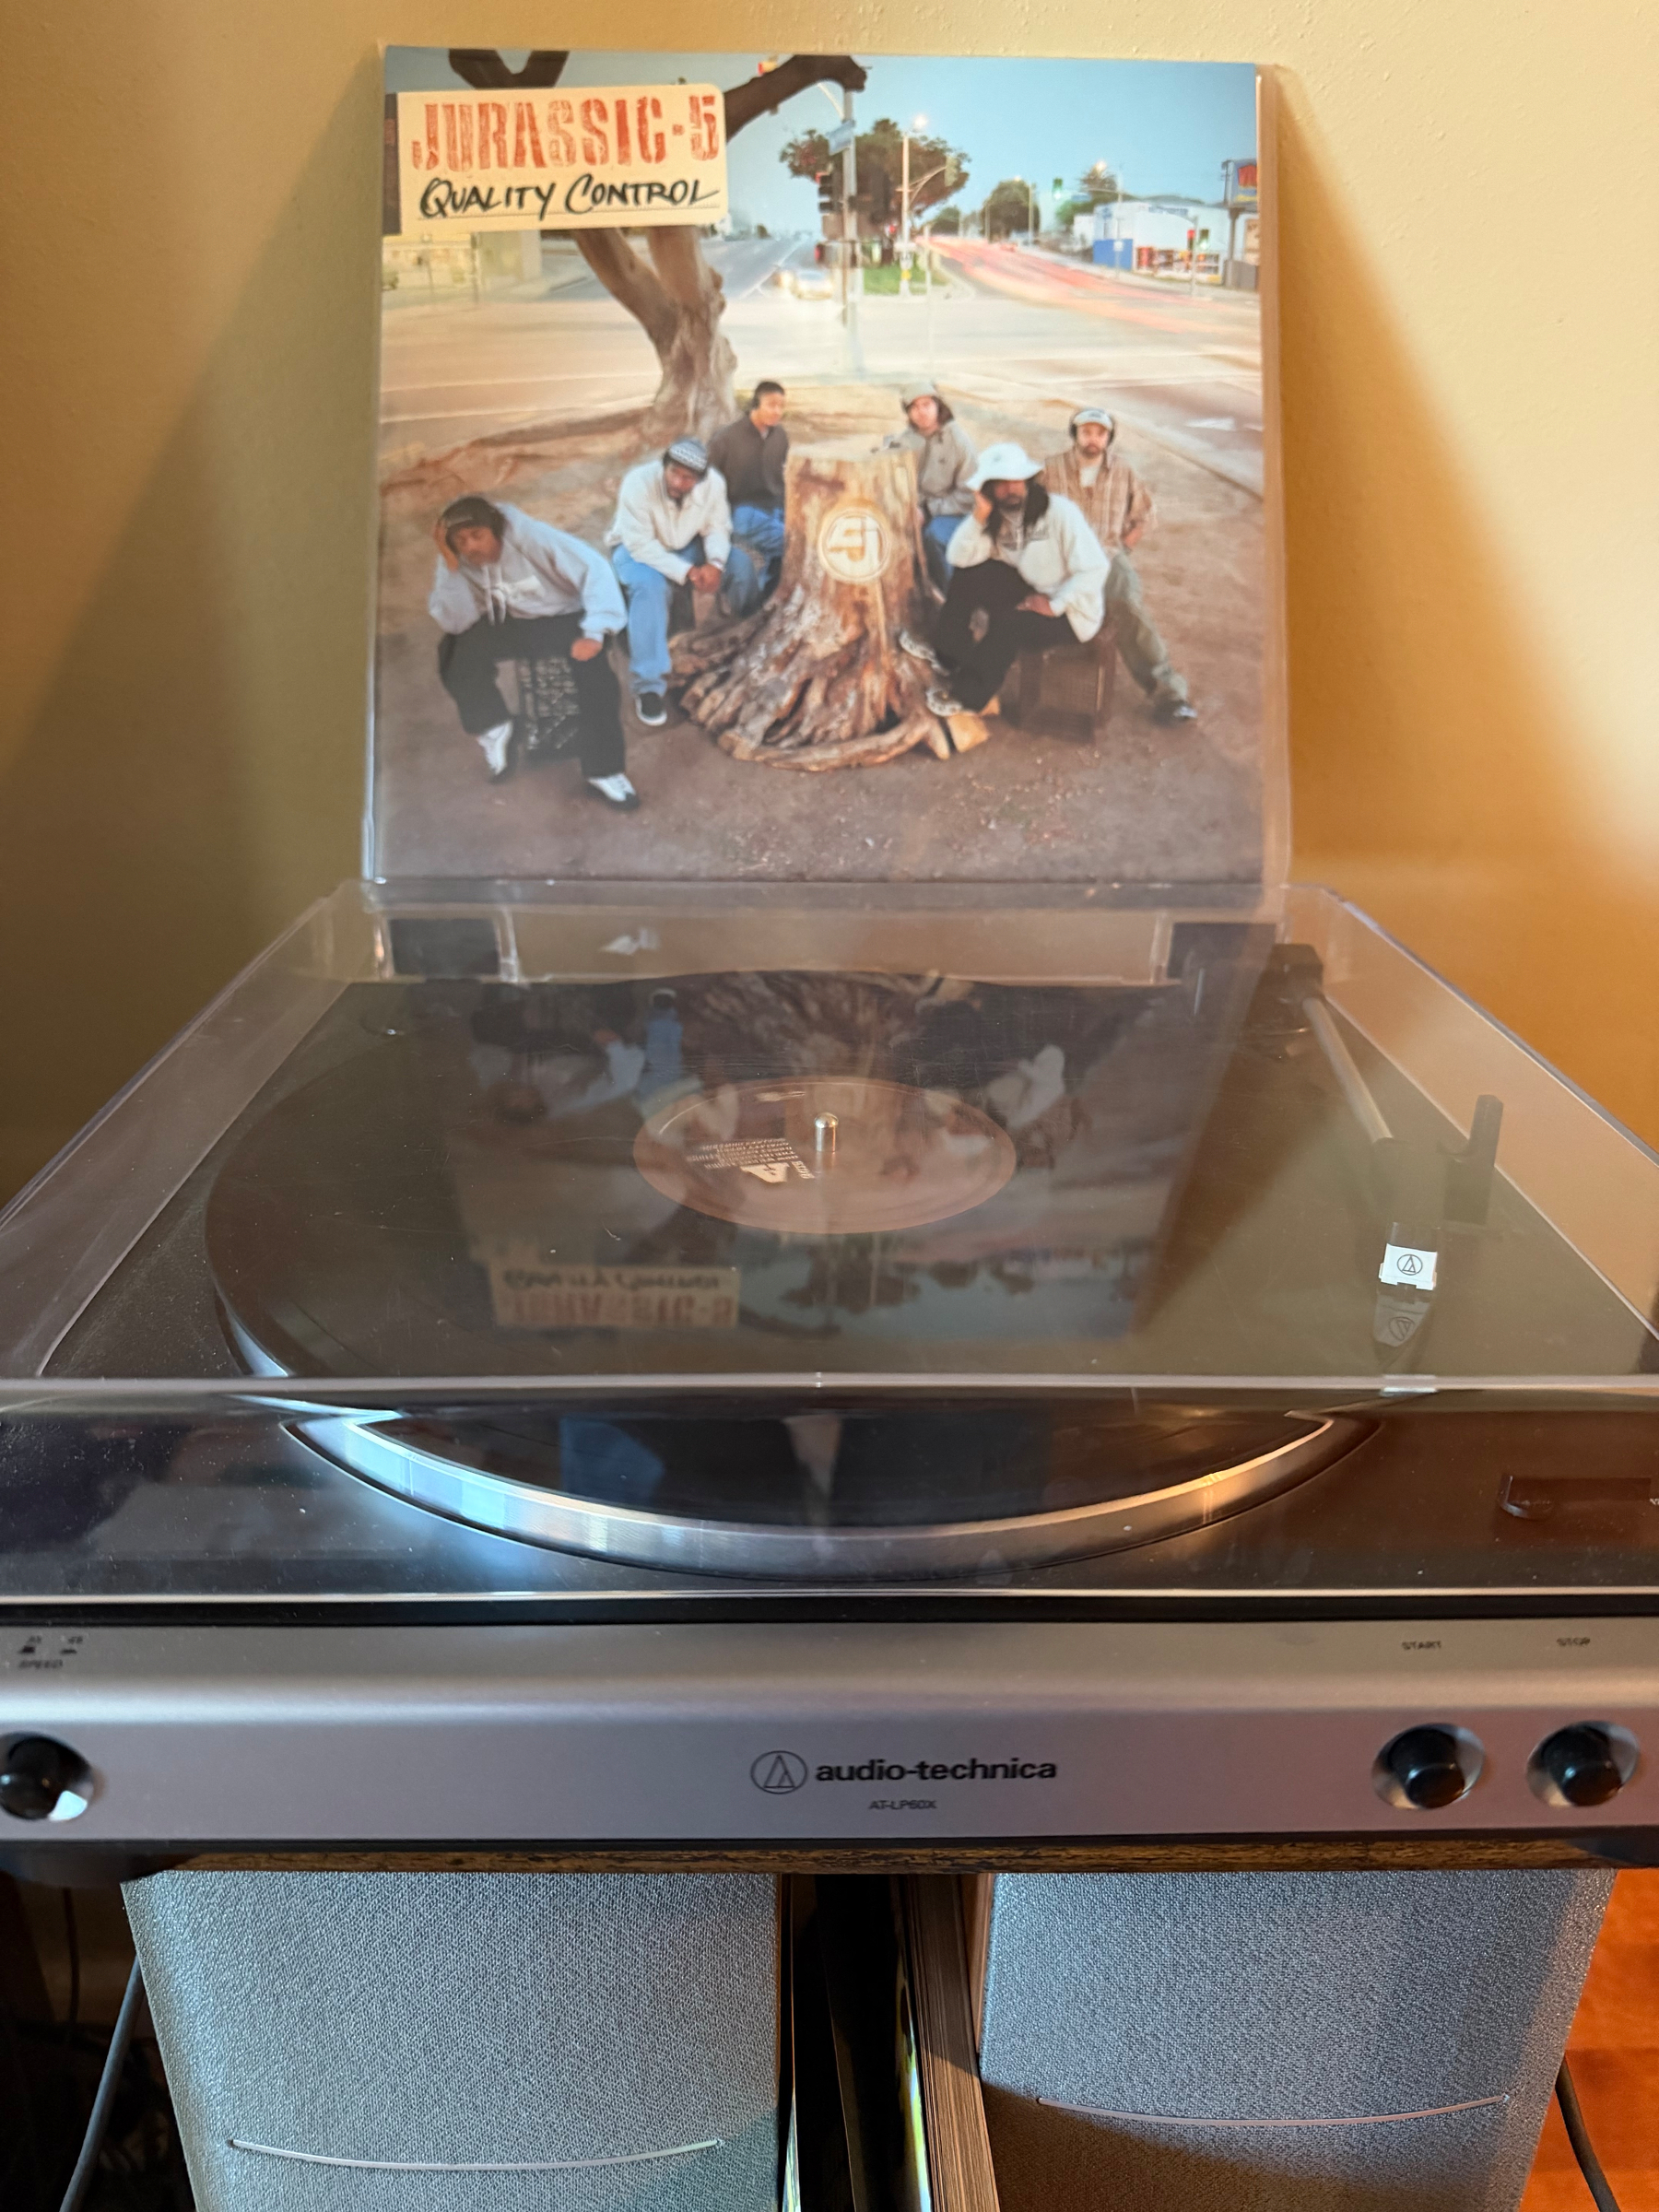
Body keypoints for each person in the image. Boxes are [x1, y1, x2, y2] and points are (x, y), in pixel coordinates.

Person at [428, 494, 638, 809]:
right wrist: (450, 565)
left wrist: (595, 633)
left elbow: (595, 571)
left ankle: (604, 770)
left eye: (477, 536)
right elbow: (458, 622)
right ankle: (495, 727)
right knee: (453, 650)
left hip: (572, 618)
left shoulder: (533, 539)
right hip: (520, 621)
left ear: (495, 530)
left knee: (596, 681)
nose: (470, 546)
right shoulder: (460, 560)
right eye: (460, 540)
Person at [901, 441, 1108, 717]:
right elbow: (958, 557)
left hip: (1072, 612)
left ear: (1027, 481)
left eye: (1016, 481)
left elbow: (1095, 569)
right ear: (989, 489)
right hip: (1031, 590)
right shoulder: (999, 519)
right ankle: (949, 655)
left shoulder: (1060, 512)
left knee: (1010, 626)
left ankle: (969, 696)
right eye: (1000, 483)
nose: (1010, 489)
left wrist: (1055, 605)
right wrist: (979, 515)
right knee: (970, 575)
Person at [1042, 406, 1196, 723]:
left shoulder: (1123, 471)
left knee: (1127, 603)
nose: (1093, 439)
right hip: (1062, 558)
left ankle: (1169, 694)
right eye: (1086, 432)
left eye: (1100, 433)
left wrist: (1125, 546)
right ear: (1076, 435)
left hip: (1107, 555)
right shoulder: (1051, 469)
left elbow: (1145, 514)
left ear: (1108, 438)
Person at [606, 439, 733, 727]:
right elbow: (639, 544)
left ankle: (723, 654)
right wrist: (688, 571)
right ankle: (648, 685)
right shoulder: (637, 482)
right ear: (664, 466)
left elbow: (717, 527)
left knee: (738, 564)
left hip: (685, 544)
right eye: (673, 472)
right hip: (634, 548)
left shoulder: (714, 484)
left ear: (700, 480)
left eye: (687, 478)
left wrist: (715, 563)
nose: (677, 481)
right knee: (651, 587)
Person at [883, 382, 978, 591]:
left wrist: (928, 510)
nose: (921, 412)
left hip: (957, 513)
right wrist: (909, 508)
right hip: (916, 512)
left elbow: (970, 495)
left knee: (934, 536)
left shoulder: (958, 440)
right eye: (914, 407)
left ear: (938, 406)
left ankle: (954, 597)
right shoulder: (905, 442)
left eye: (926, 404)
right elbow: (896, 484)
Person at [706, 382, 788, 617]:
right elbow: (706, 483)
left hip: (774, 507)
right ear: (755, 404)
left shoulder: (780, 436)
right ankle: (750, 610)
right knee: (793, 544)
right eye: (771, 405)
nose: (777, 412)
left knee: (788, 546)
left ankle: (765, 601)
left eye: (781, 406)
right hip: (740, 511)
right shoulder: (726, 439)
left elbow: (778, 477)